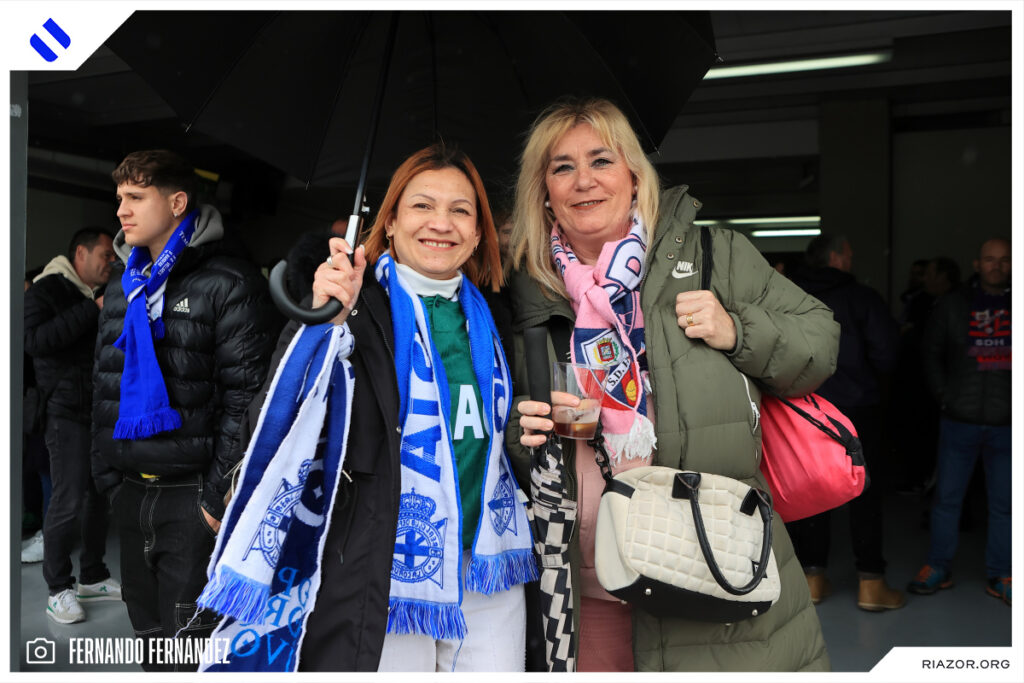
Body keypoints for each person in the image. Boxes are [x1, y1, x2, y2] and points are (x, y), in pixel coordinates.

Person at [508, 98, 839, 672]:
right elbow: (498, 433)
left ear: (634, 175)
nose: (584, 180)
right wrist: (524, 431)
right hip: (587, 580)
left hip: (710, 561)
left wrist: (737, 330)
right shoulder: (523, 291)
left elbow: (820, 344)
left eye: (601, 160)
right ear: (544, 192)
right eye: (563, 167)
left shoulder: (715, 256)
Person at [198, 144, 536, 672]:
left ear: (477, 234)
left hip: (487, 562)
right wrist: (322, 320)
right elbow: (281, 411)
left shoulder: (497, 315)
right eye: (422, 206)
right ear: (391, 222)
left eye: (460, 210)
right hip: (382, 565)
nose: (441, 223)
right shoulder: (354, 305)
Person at [92, 150, 281, 670]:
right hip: (131, 492)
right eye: (119, 198)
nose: (122, 211)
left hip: (193, 497)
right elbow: (102, 385)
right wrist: (107, 478)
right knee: (149, 640)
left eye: (135, 197)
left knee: (191, 651)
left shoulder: (230, 282)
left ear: (177, 203)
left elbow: (248, 399)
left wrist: (215, 500)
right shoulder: (123, 284)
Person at [786, 235, 904, 612]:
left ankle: (813, 578)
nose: (851, 260)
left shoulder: (790, 295)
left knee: (812, 488)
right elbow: (887, 354)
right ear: (836, 258)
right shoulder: (862, 298)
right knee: (863, 491)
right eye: (849, 254)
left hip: (805, 407)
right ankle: (871, 583)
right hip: (856, 408)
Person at [908, 237, 1011, 606]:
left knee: (1006, 504)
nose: (997, 265)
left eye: (1004, 260)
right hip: (959, 419)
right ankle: (939, 567)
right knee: (947, 499)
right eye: (990, 259)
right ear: (977, 264)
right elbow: (930, 352)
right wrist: (944, 396)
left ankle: (1003, 574)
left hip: (1008, 423)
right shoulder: (953, 304)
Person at [24, 227, 120, 623]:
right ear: (80, 253)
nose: (110, 262)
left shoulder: (95, 294)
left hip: (97, 409)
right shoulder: (46, 289)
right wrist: (91, 310)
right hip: (64, 412)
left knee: (99, 497)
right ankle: (58, 588)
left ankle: (92, 576)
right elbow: (35, 341)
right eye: (104, 255)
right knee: (67, 500)